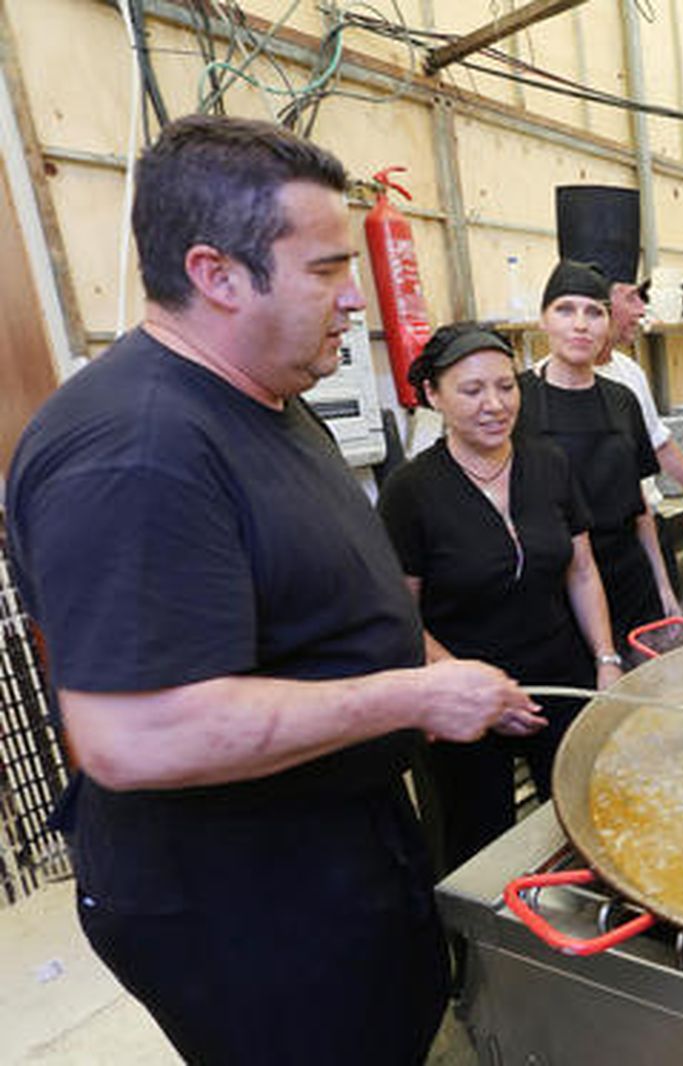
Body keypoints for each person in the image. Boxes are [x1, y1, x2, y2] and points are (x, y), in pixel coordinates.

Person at [2, 115, 539, 1064]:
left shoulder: (272, 402)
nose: (353, 302)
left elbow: (332, 596)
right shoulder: (138, 451)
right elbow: (134, 735)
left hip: (337, 851)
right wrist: (415, 697)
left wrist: (444, 667)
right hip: (240, 904)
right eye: (327, 269)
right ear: (216, 273)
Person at [377, 322, 623, 873]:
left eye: (506, 386)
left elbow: (582, 571)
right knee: (476, 849)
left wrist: (605, 660)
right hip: (460, 696)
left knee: (586, 823)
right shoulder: (411, 491)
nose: (494, 404)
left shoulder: (549, 464)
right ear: (434, 397)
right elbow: (399, 616)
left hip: (558, 676)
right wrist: (466, 684)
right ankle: (476, 956)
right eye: (471, 391)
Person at [516, 261, 677, 656]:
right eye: (565, 309)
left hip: (629, 577)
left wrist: (664, 588)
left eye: (594, 312)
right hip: (557, 587)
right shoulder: (518, 400)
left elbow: (639, 504)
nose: (581, 324)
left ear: (607, 324)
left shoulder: (622, 399)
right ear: (543, 321)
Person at [549, 184, 683, 591]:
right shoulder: (535, 390)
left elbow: (659, 445)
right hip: (576, 555)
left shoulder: (628, 373)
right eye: (634, 298)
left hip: (641, 538)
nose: (642, 310)